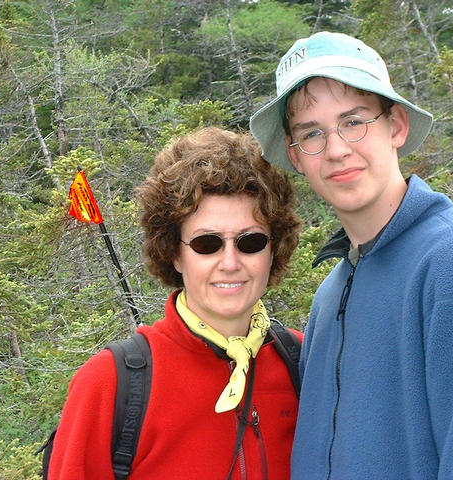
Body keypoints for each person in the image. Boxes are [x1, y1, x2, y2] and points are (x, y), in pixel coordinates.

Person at [250, 31, 453, 479]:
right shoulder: (330, 293)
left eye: (353, 121)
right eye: (312, 133)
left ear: (396, 125)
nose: (337, 148)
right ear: (296, 155)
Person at [48, 126, 302, 479]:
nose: (230, 262)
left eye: (251, 242)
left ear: (274, 249)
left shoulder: (304, 364)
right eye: (206, 243)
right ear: (174, 254)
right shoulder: (109, 385)